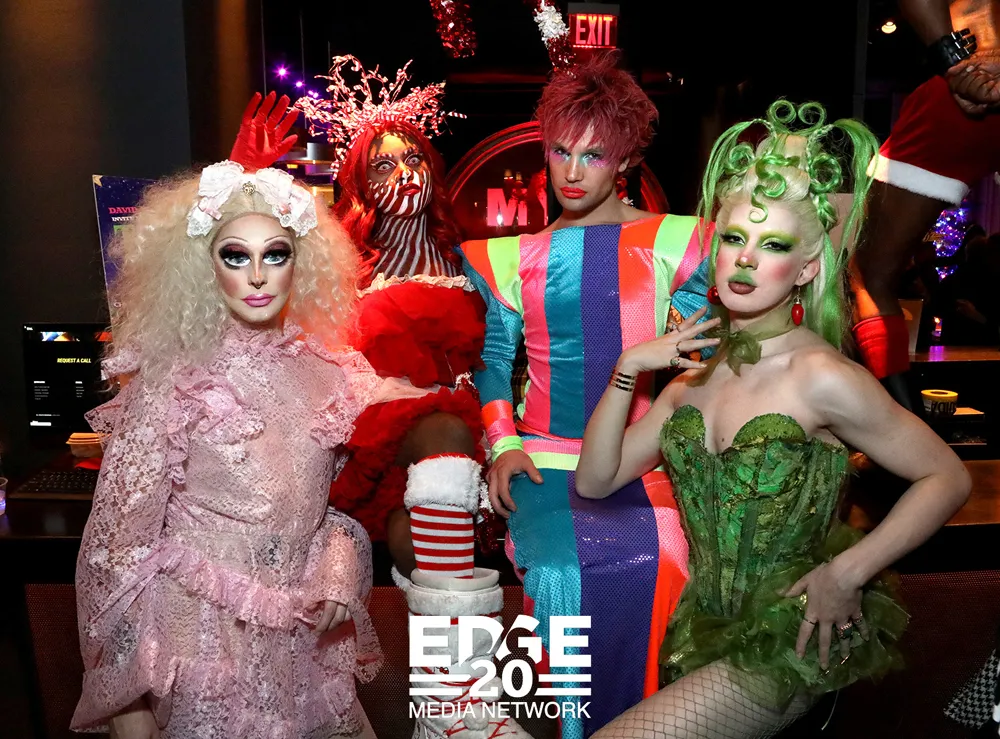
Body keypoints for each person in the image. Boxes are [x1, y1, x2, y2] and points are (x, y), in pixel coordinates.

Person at [576, 101, 971, 738]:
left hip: (794, 637)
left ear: (807, 268)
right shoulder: (689, 383)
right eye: (735, 239)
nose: (747, 260)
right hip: (701, 629)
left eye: (774, 245)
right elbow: (595, 480)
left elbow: (947, 477)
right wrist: (629, 367)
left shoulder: (820, 375)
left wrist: (847, 572)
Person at [70, 159, 386, 738]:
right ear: (203, 266)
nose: (258, 276)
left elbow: (329, 512)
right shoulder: (174, 381)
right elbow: (116, 551)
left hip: (299, 643)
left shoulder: (333, 376)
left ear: (302, 262)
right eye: (236, 256)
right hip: (199, 642)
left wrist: (338, 572)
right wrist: (128, 707)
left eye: (276, 254)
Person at [460, 51, 712, 739]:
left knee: (668, 559)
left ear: (624, 160)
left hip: (641, 458)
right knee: (560, 574)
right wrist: (502, 446)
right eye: (561, 152)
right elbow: (493, 364)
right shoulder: (510, 258)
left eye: (593, 155)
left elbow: (707, 358)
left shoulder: (679, 242)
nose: (572, 171)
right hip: (545, 459)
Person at [287, 59, 531, 739]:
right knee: (437, 436)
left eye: (413, 157)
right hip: (379, 435)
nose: (403, 172)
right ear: (360, 181)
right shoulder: (341, 265)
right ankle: (469, 708)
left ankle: (444, 709)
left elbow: (500, 361)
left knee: (412, 541)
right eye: (384, 164)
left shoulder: (468, 261)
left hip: (458, 449)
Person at [851, 0, 1000, 407]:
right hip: (980, 78)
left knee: (870, 276)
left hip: (973, 80)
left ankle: (901, 427)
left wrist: (958, 64)